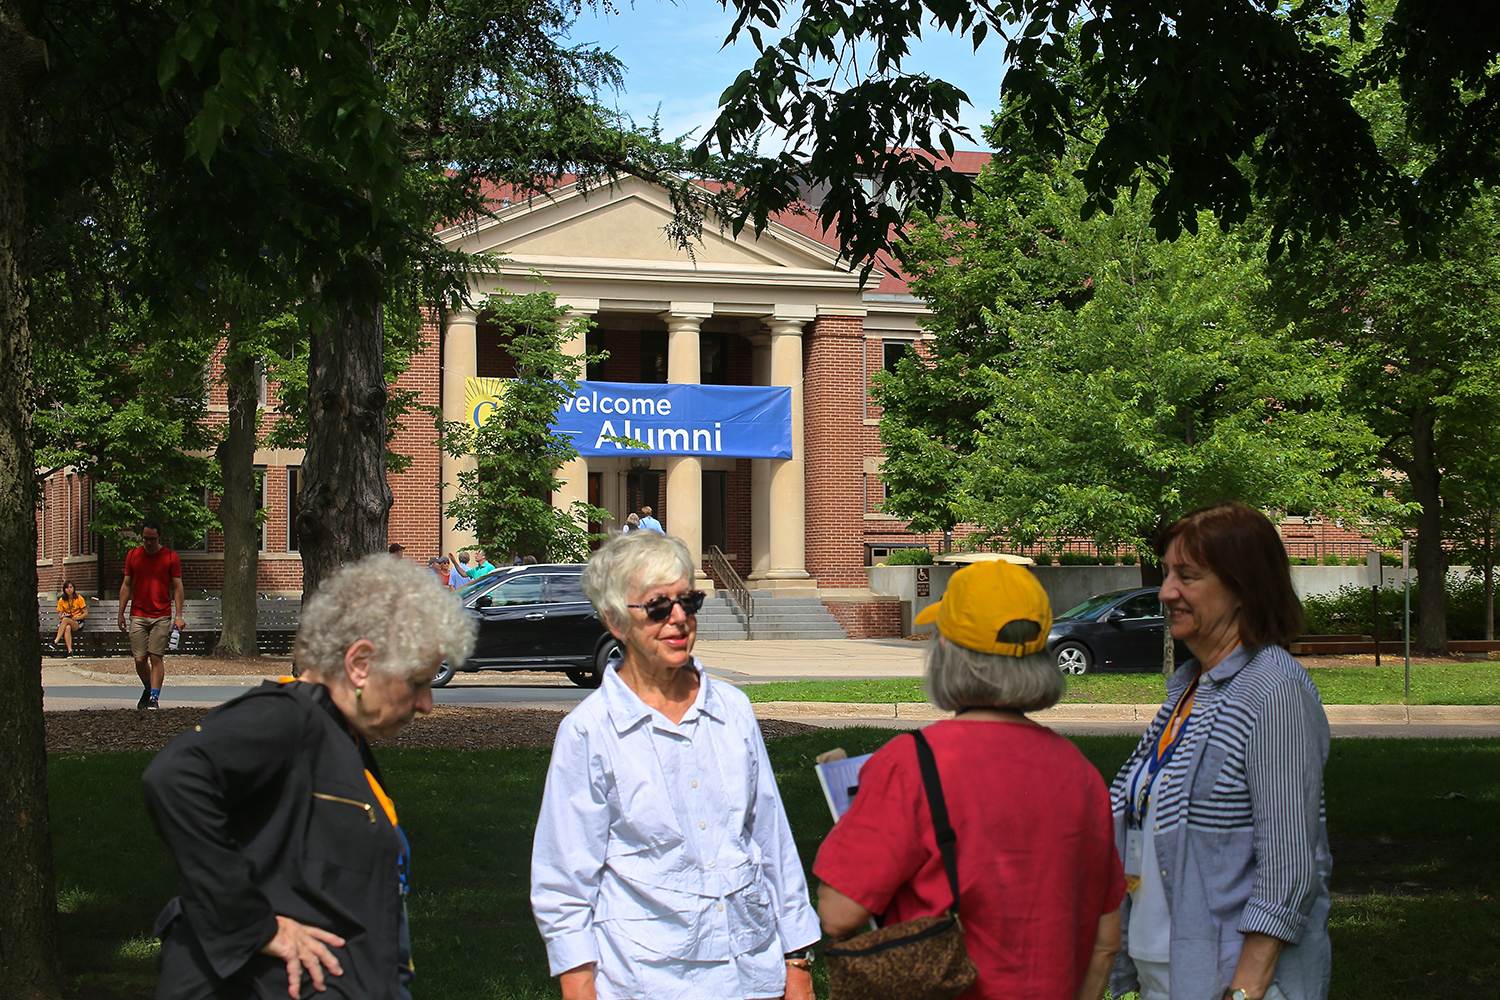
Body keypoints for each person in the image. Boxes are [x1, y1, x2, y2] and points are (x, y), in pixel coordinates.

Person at [141, 554, 476, 1000]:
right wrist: (251, 923)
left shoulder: (340, 736)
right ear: (360, 663)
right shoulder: (289, 716)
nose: (426, 704)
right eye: (416, 681)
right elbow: (175, 777)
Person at [814, 560, 1125, 1000]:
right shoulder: (1080, 772)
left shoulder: (909, 763)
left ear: (947, 649)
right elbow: (1106, 940)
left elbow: (838, 913)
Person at [531, 531, 819, 1000]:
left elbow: (772, 841)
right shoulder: (589, 731)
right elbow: (564, 879)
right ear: (615, 620)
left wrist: (797, 960)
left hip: (750, 975)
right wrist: (579, 984)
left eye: (688, 601)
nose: (679, 618)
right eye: (658, 607)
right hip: (644, 980)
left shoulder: (733, 709)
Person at [1109, 503, 1330, 1000]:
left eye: (1187, 576)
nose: (1166, 591)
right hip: (1169, 970)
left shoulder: (1273, 690)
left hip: (1233, 981)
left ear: (1243, 587)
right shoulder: (1192, 686)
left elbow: (1290, 866)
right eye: (1167, 573)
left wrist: (1245, 990)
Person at [117, 519, 186, 710]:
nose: (148, 543)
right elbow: (126, 585)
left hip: (161, 615)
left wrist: (178, 615)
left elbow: (177, 587)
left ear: (159, 537)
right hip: (138, 614)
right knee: (140, 659)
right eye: (145, 539)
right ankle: (149, 688)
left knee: (156, 657)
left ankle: (154, 698)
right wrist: (121, 612)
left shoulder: (170, 557)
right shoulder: (133, 555)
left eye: (152, 539)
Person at [52, 580, 89, 656]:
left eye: (70, 587)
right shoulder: (62, 600)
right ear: (64, 590)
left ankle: (56, 641)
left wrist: (77, 618)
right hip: (67, 620)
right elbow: (60, 613)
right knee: (67, 627)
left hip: (77, 622)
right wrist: (61, 616)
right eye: (67, 588)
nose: (69, 589)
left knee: (65, 620)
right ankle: (70, 651)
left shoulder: (79, 598)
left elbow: (85, 613)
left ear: (73, 588)